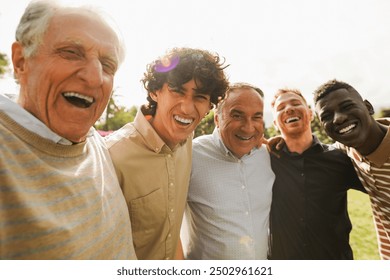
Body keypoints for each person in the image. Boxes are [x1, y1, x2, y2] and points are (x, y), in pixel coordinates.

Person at [0, 0, 136, 259]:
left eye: (107, 65)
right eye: (71, 53)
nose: (95, 78)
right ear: (20, 61)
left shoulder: (92, 137)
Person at [106, 47, 229, 260]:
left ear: (209, 105)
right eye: (178, 91)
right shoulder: (113, 156)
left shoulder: (186, 141)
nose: (188, 108)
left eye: (199, 97)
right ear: (155, 91)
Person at [180, 82, 275, 259]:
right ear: (217, 118)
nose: (248, 127)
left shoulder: (269, 156)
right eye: (237, 116)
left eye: (256, 117)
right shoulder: (190, 156)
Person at [268, 88, 365, 260]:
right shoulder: (265, 161)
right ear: (275, 123)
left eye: (296, 103)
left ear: (311, 114)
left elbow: (377, 185)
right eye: (281, 107)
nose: (289, 108)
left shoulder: (341, 158)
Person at [313, 79, 390, 260]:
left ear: (368, 107)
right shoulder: (346, 151)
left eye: (347, 106)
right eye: (326, 116)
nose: (338, 118)